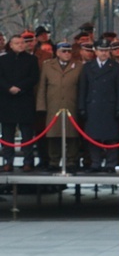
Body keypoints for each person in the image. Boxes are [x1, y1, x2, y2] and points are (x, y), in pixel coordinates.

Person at [77, 39, 119, 173]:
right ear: (95, 51)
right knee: (93, 137)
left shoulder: (115, 67)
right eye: (101, 50)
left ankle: (111, 163)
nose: (103, 53)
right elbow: (83, 89)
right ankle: (95, 163)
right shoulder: (87, 67)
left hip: (110, 106)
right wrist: (82, 107)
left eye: (106, 50)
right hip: (93, 105)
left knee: (111, 138)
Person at [36, 41, 83, 171]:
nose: (67, 54)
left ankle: (71, 161)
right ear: (57, 53)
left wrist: (81, 106)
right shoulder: (48, 65)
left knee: (72, 134)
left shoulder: (78, 66)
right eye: (64, 51)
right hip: (53, 104)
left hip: (71, 104)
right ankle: (54, 161)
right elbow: (42, 87)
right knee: (53, 134)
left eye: (69, 51)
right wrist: (41, 106)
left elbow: (81, 87)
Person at [0, 34, 39, 171]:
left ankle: (28, 161)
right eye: (17, 43)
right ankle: (7, 161)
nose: (21, 45)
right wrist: (8, 88)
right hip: (7, 100)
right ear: (10, 45)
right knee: (7, 135)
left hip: (25, 100)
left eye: (22, 43)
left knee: (27, 134)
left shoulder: (32, 60)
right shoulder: (3, 60)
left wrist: (20, 88)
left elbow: (34, 78)